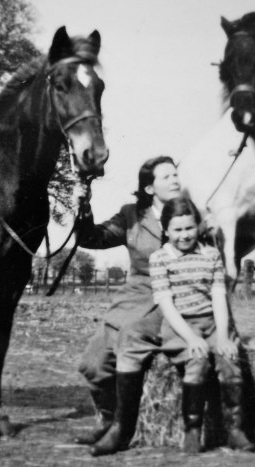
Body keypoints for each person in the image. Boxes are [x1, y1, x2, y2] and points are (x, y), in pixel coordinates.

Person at [73, 155, 181, 456]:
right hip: (134, 297)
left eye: (176, 175)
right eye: (167, 176)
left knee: (130, 338)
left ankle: (122, 429)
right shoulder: (131, 215)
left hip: (173, 299)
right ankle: (106, 420)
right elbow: (92, 239)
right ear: (149, 189)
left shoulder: (190, 213)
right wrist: (82, 207)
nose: (175, 180)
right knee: (92, 364)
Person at [147, 196, 255, 453]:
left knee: (229, 362)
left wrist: (224, 336)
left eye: (189, 228)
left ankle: (235, 430)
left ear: (198, 226)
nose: (184, 235)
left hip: (212, 320)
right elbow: (166, 304)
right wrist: (191, 338)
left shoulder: (211, 255)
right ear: (166, 230)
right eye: (177, 229)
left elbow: (218, 296)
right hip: (180, 325)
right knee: (197, 361)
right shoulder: (160, 258)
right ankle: (192, 431)